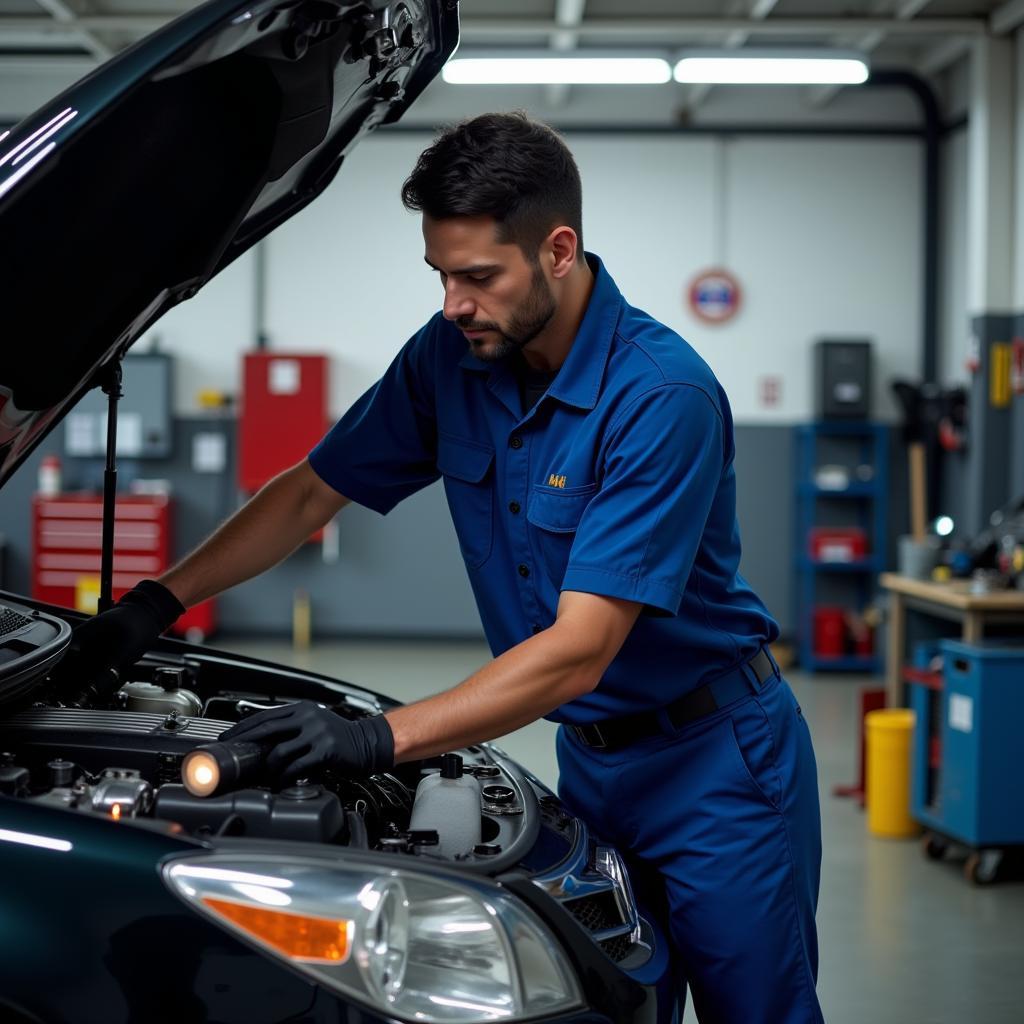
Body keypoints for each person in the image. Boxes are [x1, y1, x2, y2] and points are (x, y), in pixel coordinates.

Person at [65, 112, 824, 1023]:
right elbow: (312, 492)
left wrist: (378, 737)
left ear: (558, 250)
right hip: (592, 761)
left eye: (478, 277)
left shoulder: (660, 396)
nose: (455, 303)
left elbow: (580, 650)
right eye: (441, 275)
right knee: (621, 1007)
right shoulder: (452, 359)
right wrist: (154, 603)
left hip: (717, 767)